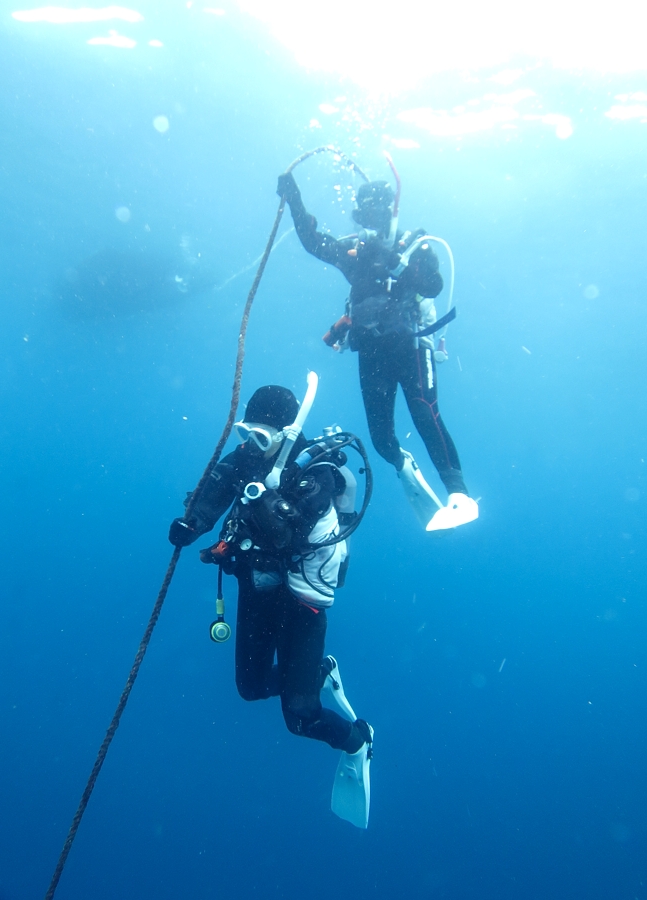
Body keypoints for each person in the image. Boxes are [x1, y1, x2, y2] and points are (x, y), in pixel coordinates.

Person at [169, 383, 373, 826]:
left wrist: (264, 495)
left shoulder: (316, 473)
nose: (250, 446)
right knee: (250, 687)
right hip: (258, 592)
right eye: (246, 434)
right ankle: (319, 672)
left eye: (261, 438)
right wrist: (194, 523)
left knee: (300, 717)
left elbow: (285, 535)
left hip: (303, 605)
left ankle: (358, 740)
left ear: (285, 434)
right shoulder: (247, 458)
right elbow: (216, 490)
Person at [276, 172, 478, 531]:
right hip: (372, 352)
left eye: (376, 215)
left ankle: (458, 494)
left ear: (390, 212)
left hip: (412, 346)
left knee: (425, 416)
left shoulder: (415, 246)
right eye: (363, 217)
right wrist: (294, 198)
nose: (370, 223)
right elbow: (312, 241)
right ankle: (402, 463)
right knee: (381, 438)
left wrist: (402, 264)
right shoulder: (354, 254)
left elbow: (434, 286)